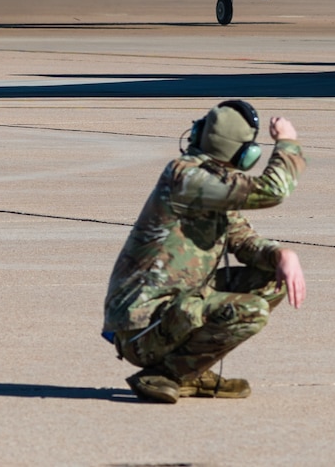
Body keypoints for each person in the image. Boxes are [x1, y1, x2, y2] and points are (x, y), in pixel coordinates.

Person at [103, 99, 306, 403]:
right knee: (251, 310)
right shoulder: (186, 177)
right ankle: (168, 374)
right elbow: (272, 190)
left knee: (269, 280)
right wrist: (287, 144)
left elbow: (243, 239)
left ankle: (189, 371)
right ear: (244, 154)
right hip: (143, 327)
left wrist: (280, 255)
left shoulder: (213, 184)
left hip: (176, 309)